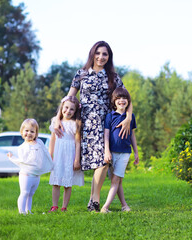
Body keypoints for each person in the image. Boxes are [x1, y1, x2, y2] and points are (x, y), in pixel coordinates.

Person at [54, 41, 133, 212]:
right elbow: (68, 99)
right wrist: (57, 118)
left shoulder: (113, 76)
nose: (101, 57)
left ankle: (94, 202)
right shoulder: (81, 74)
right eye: (98, 53)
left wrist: (127, 118)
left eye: (105, 54)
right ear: (92, 54)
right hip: (87, 124)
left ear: (109, 57)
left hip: (107, 124)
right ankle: (93, 202)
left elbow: (127, 97)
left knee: (104, 161)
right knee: (100, 162)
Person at [101, 87, 139, 213]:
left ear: (128, 101)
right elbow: (106, 135)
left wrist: (136, 152)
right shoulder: (110, 116)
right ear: (114, 101)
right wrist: (106, 151)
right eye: (118, 98)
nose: (122, 101)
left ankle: (105, 207)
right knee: (117, 181)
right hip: (111, 152)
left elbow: (132, 135)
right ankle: (124, 206)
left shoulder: (131, 117)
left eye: (124, 98)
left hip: (124, 153)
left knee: (116, 180)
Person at [7, 119, 53, 215]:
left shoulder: (39, 142)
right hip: (26, 175)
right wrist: (12, 158)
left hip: (36, 175)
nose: (29, 133)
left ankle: (28, 211)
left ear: (36, 133)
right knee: (24, 192)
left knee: (31, 194)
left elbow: (44, 154)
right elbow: (23, 162)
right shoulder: (22, 147)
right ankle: (21, 212)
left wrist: (50, 163)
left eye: (32, 131)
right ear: (22, 132)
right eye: (26, 131)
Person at [48, 96, 84, 213]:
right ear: (62, 107)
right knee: (56, 181)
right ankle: (54, 206)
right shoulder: (56, 121)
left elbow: (78, 142)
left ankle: (64, 207)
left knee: (67, 183)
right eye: (66, 107)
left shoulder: (76, 124)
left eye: (71, 109)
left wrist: (76, 160)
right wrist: (50, 154)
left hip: (70, 154)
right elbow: (52, 139)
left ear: (75, 111)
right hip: (58, 153)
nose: (68, 111)